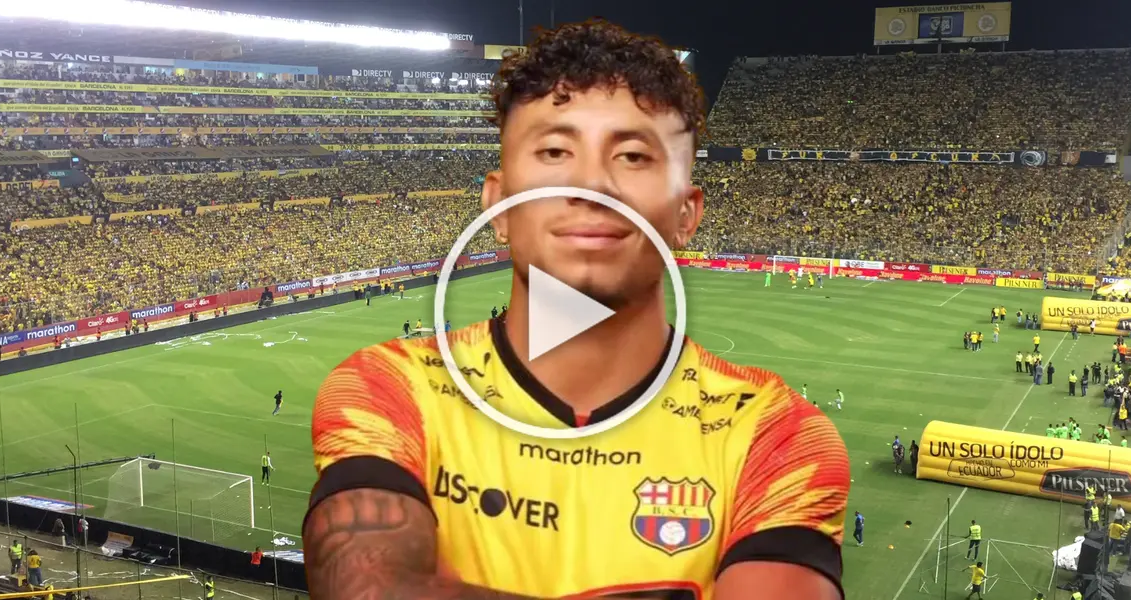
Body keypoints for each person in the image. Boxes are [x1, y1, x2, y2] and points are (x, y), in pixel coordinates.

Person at [304, 20, 849, 600]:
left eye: (635, 156)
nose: (592, 184)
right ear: (500, 207)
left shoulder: (778, 435)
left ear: (686, 214)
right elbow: (372, 589)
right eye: (554, 151)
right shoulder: (389, 390)